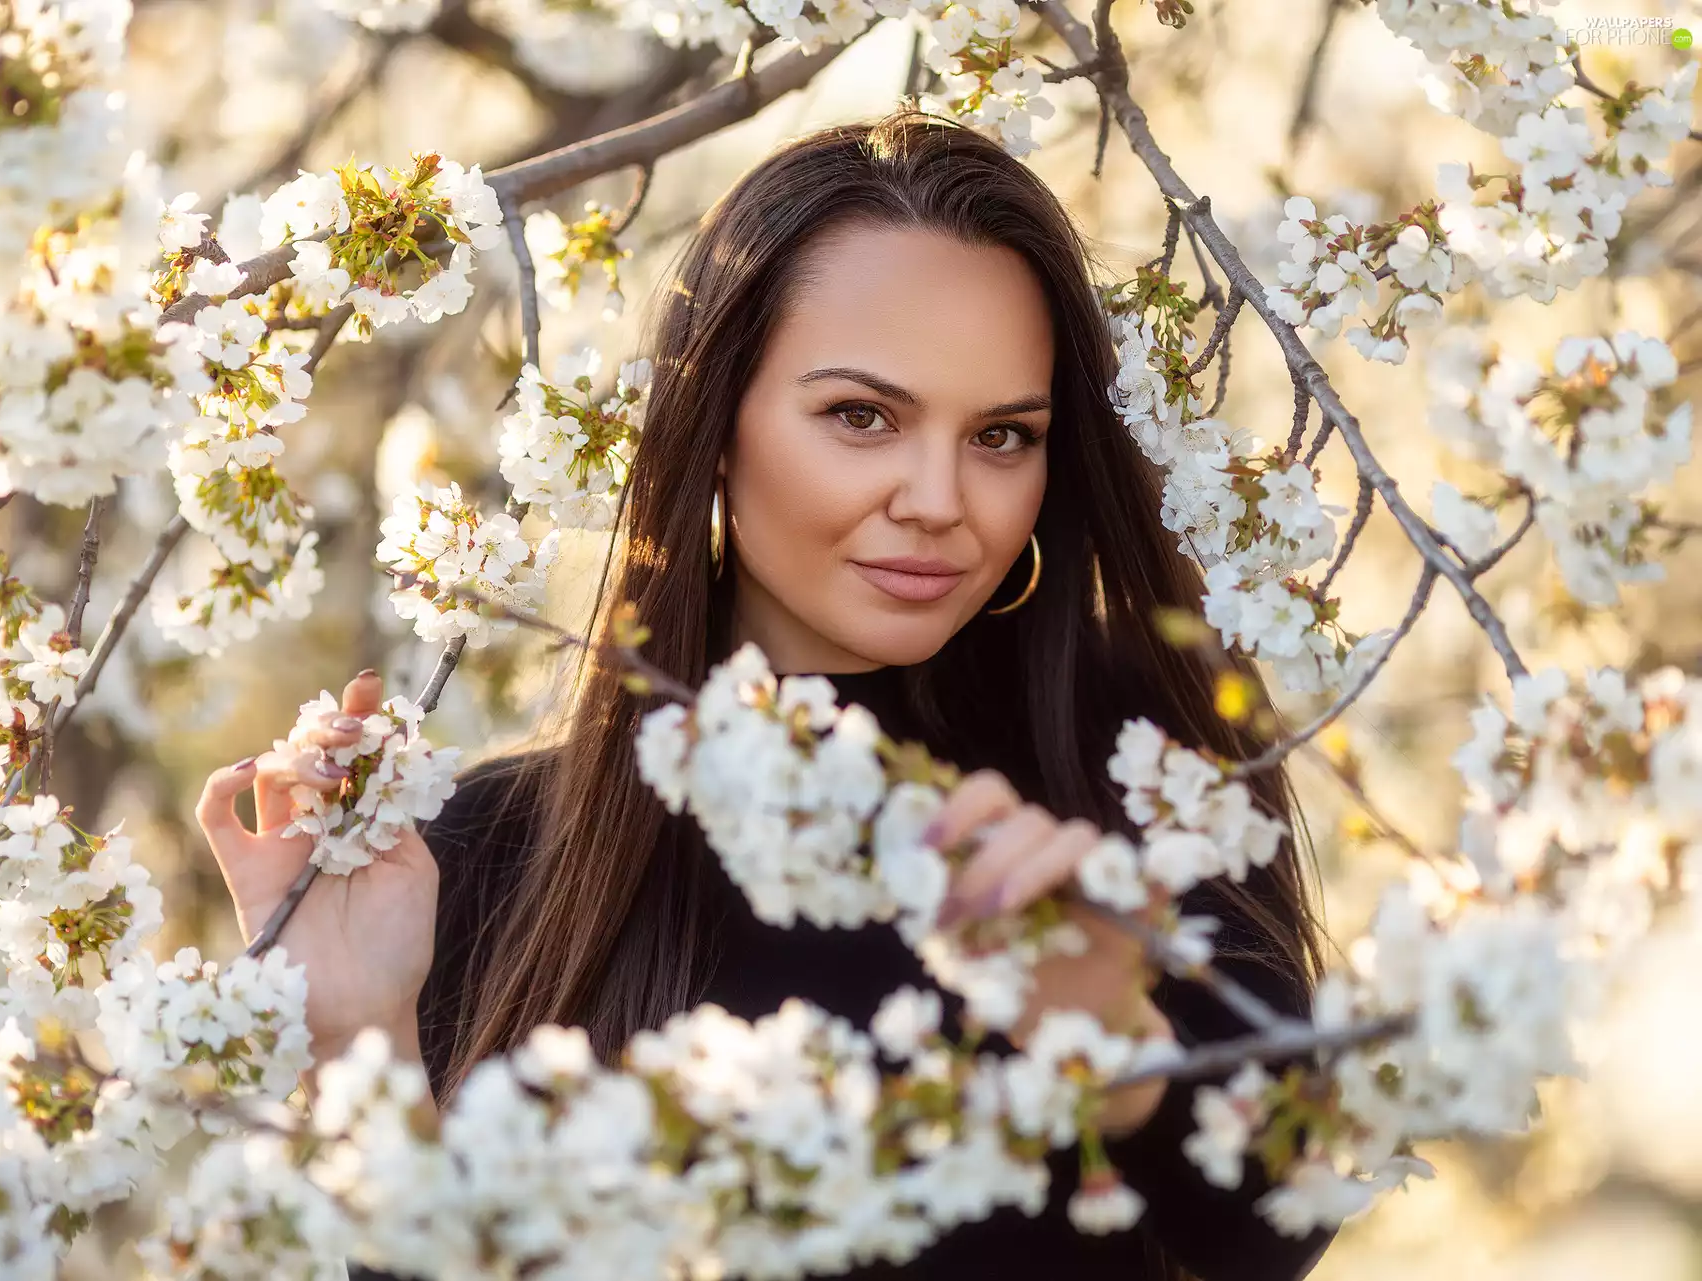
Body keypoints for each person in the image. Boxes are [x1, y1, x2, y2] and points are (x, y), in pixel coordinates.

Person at [194, 110, 1335, 1281]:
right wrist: (357, 1037)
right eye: (862, 417)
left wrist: (1114, 1040)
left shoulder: (1140, 777)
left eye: (1002, 435)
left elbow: (1278, 1224)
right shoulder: (486, 863)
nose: (940, 498)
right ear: (717, 426)